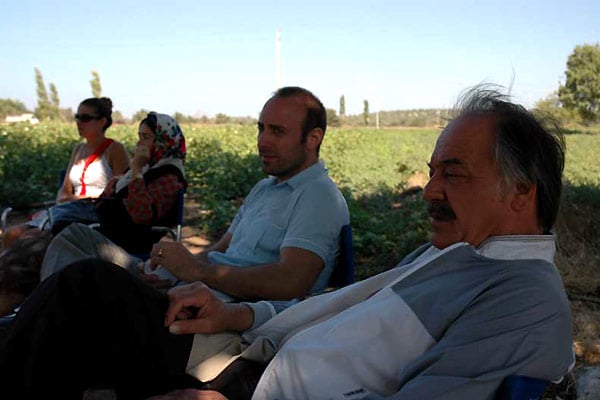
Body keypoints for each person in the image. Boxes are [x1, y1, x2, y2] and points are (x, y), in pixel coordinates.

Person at [0, 84, 574, 400]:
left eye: (454, 173)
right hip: (249, 349)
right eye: (432, 171)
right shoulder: (449, 256)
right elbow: (327, 306)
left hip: (252, 381)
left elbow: (301, 282)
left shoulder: (524, 299)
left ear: (520, 191)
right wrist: (240, 309)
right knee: (80, 290)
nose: (429, 190)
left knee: (82, 291)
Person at [39, 86, 350, 305]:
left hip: (208, 304)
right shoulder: (264, 188)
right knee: (75, 238)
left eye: (277, 132)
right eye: (261, 128)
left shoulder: (318, 197)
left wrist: (198, 273)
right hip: (188, 283)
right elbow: (220, 250)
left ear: (313, 138)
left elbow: (291, 282)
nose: (263, 141)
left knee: (81, 276)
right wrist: (177, 267)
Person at [0, 112, 186, 317]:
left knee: (31, 257)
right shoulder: (147, 168)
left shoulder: (169, 176)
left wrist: (136, 173)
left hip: (123, 239)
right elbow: (106, 198)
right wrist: (125, 179)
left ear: (163, 141)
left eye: (146, 137)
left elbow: (140, 216)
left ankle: (25, 314)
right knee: (25, 244)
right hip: (101, 229)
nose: (140, 143)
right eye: (139, 136)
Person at [1, 97, 130, 248]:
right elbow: (65, 188)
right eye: (77, 117)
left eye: (85, 118)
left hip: (94, 214)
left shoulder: (115, 149)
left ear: (102, 121)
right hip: (68, 209)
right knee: (11, 234)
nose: (79, 122)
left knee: (30, 240)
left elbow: (119, 193)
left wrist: (76, 198)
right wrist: (64, 198)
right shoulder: (78, 149)